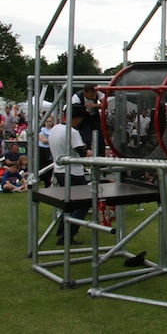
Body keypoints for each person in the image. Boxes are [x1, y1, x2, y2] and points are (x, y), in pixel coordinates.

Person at [49, 104, 92, 246]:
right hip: (74, 172)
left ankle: (62, 230)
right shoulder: (72, 132)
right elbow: (82, 154)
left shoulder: (55, 129)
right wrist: (89, 152)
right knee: (84, 203)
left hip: (59, 171)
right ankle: (68, 235)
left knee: (69, 203)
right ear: (79, 117)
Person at [71, 83, 106, 148]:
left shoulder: (98, 92)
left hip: (94, 117)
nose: (93, 97)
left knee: (100, 139)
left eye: (95, 95)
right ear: (85, 93)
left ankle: (101, 155)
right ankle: (86, 153)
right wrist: (84, 110)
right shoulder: (76, 98)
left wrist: (94, 105)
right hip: (83, 119)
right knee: (86, 139)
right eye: (91, 96)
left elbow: (105, 105)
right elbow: (74, 111)